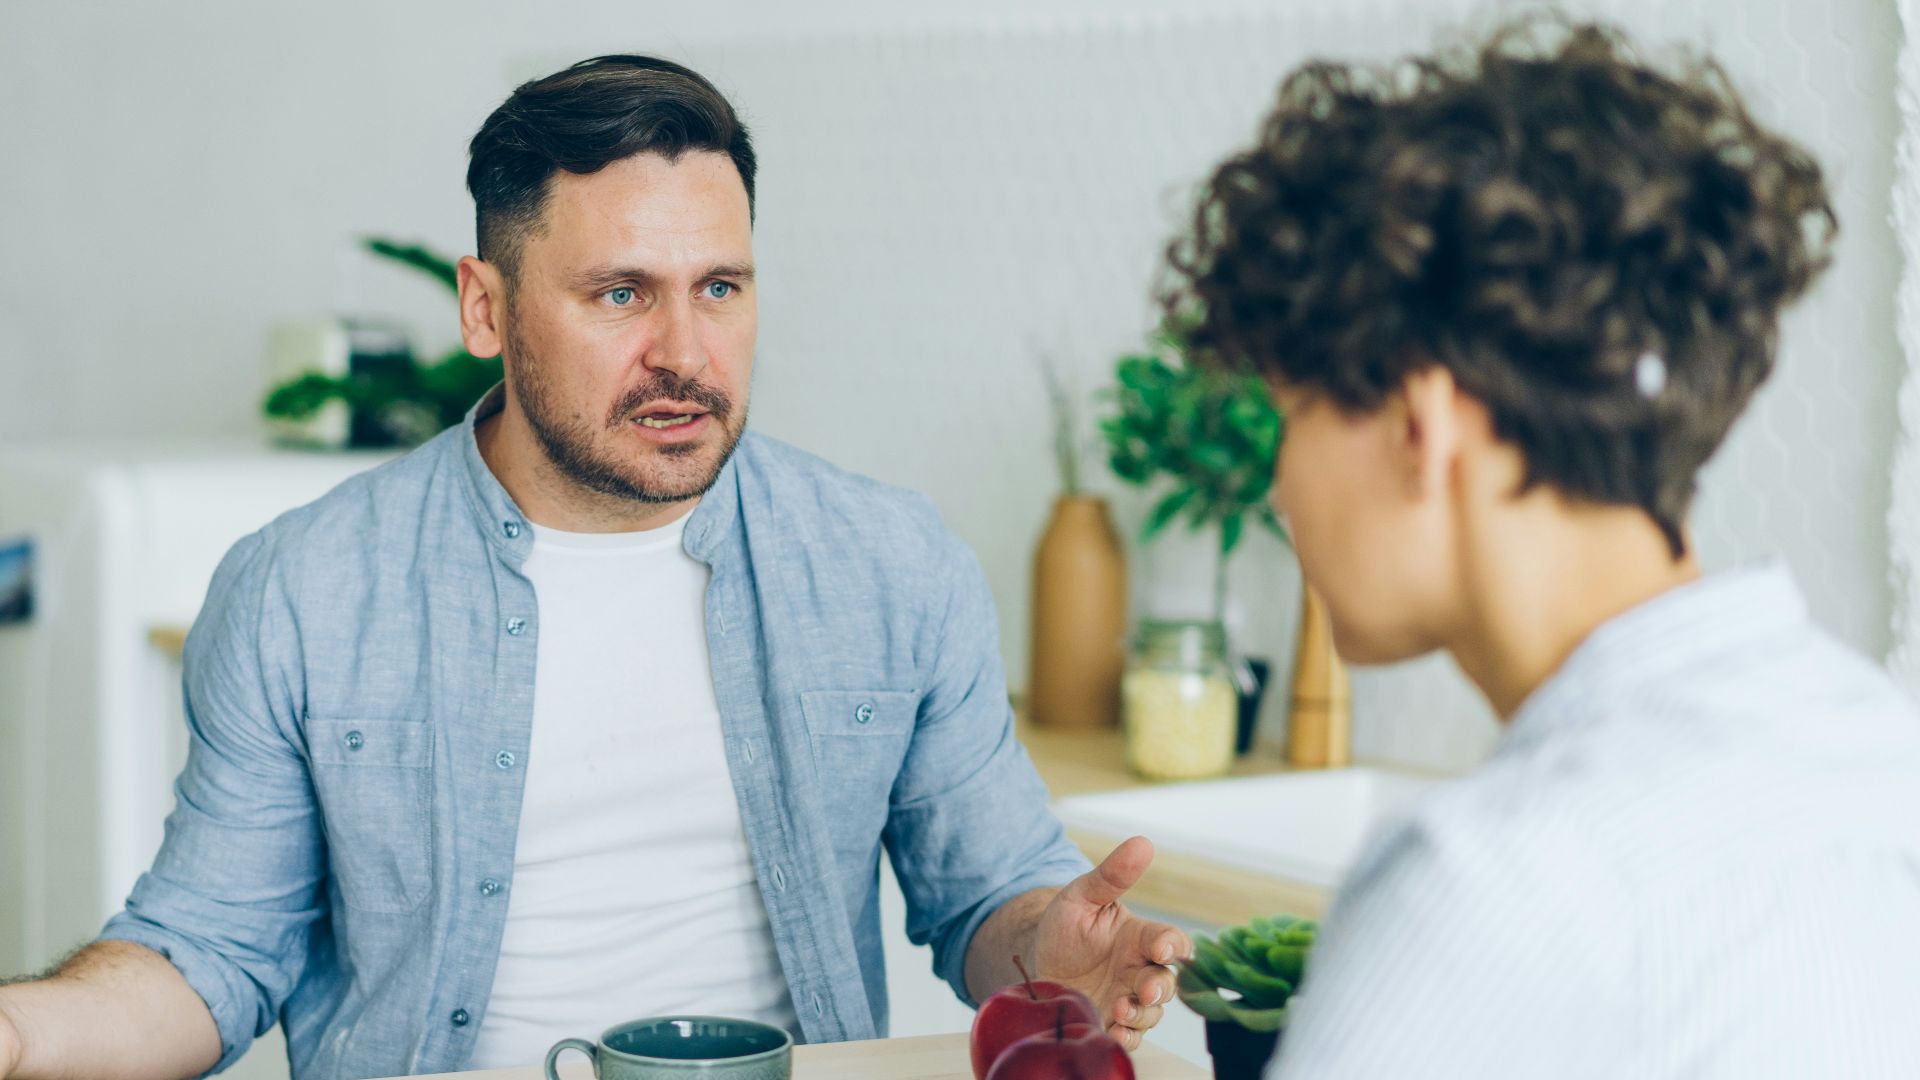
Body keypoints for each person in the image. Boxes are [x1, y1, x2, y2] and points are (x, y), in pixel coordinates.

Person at [0, 56, 1187, 1080]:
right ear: (486, 308)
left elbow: (988, 899)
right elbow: (206, 956)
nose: (683, 353)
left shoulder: (892, 564)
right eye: (620, 294)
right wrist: (18, 1031)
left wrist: (1051, 947)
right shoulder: (304, 591)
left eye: (719, 289)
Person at [1164, 15, 1920, 1079]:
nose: (1279, 486)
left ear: (1420, 428)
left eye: (1289, 414)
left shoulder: (1487, 886)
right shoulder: (1882, 749)